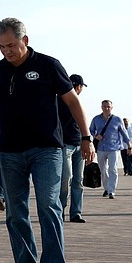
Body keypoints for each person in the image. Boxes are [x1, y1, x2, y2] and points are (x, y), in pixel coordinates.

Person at [0, 18, 92, 263]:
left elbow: (72, 101)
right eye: (2, 46)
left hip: (47, 149)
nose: (7, 51)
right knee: (15, 213)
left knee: (49, 206)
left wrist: (86, 138)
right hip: (9, 151)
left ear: (25, 40)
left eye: (11, 45)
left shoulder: (48, 65)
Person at [88, 100, 130, 199]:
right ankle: (106, 188)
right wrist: (95, 136)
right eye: (105, 106)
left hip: (113, 148)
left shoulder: (117, 119)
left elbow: (124, 133)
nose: (106, 108)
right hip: (101, 148)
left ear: (112, 107)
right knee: (103, 169)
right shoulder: (96, 119)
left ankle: (112, 191)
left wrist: (129, 145)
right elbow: (90, 130)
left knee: (113, 169)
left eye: (108, 106)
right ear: (101, 107)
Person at [59, 74, 87, 222]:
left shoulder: (77, 102)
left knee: (78, 180)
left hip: (78, 144)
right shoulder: (59, 100)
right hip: (65, 144)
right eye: (81, 87)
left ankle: (76, 212)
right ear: (78, 86)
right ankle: (60, 210)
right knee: (66, 179)